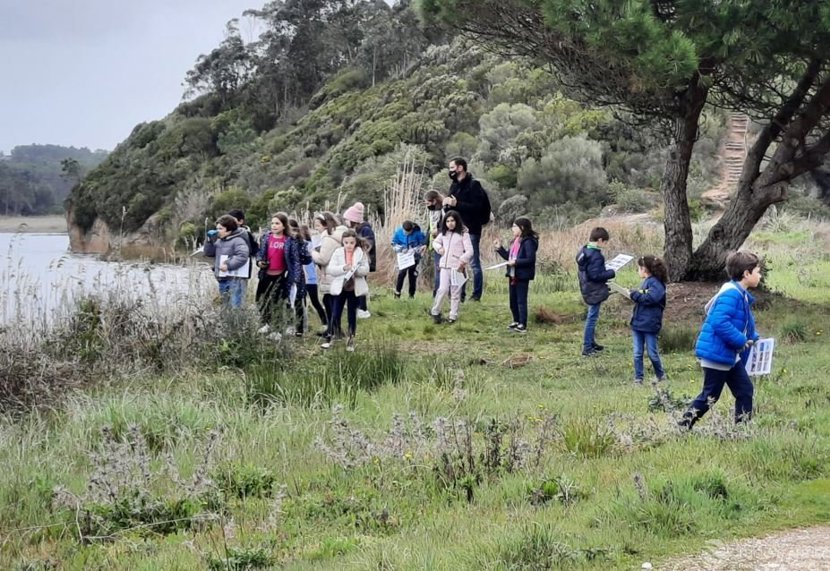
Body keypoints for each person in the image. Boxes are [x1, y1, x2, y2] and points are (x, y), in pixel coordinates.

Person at [679, 251, 762, 430]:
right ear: (746, 274)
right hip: (717, 353)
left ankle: (742, 432)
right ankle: (682, 426)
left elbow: (743, 322)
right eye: (757, 271)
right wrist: (741, 340)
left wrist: (752, 338)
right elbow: (719, 321)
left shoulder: (740, 294)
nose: (760, 275)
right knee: (710, 396)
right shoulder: (732, 294)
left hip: (729, 354)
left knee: (745, 390)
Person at [443, 157, 491, 301]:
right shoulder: (454, 186)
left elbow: (477, 207)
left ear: (460, 168)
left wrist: (456, 203)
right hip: (456, 230)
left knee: (474, 262)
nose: (450, 171)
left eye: (452, 168)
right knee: (459, 262)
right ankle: (459, 293)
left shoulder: (474, 185)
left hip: (471, 229)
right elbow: (452, 207)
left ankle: (476, 295)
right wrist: (447, 205)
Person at [323, 229, 370, 351]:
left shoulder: (360, 253)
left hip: (354, 287)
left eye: (351, 243)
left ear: (356, 243)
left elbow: (366, 269)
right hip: (340, 286)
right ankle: (332, 336)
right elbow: (331, 269)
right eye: (346, 242)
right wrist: (343, 268)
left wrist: (356, 270)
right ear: (342, 242)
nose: (349, 245)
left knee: (351, 314)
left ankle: (350, 339)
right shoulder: (338, 252)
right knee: (335, 312)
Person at [255, 212, 300, 334]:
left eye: (277, 223)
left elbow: (295, 259)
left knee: (279, 301)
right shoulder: (266, 237)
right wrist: (259, 262)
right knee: (261, 299)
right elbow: (259, 253)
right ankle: (266, 323)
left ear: (284, 226)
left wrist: (295, 277)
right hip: (266, 274)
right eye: (272, 223)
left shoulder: (290, 240)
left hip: (281, 275)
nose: (274, 226)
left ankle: (279, 329)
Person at [494, 217, 539, 334]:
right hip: (512, 274)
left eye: (514, 226)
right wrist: (500, 248)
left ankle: (522, 324)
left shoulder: (528, 242)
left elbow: (530, 259)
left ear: (522, 228)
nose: (512, 229)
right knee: (512, 299)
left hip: (522, 275)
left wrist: (516, 262)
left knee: (521, 299)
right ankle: (516, 320)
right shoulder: (516, 241)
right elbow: (509, 256)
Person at [576, 227, 616, 356]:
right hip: (594, 289)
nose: (605, 245)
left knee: (592, 315)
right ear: (599, 240)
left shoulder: (584, 250)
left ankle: (592, 343)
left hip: (587, 287)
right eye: (605, 242)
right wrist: (611, 272)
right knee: (592, 318)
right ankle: (587, 348)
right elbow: (595, 275)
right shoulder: (596, 255)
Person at [629, 255, 668, 385]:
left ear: (644, 269)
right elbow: (644, 296)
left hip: (650, 325)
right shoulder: (647, 282)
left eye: (639, 268)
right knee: (637, 353)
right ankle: (638, 378)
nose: (638, 271)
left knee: (652, 353)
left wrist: (635, 295)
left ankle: (660, 375)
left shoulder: (656, 284)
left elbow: (651, 298)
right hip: (638, 324)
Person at [430, 210, 473, 324]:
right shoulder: (444, 233)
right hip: (445, 266)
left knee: (455, 292)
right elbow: (435, 242)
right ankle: (435, 311)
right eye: (448, 221)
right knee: (443, 289)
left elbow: (470, 251)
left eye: (452, 220)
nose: (450, 223)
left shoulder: (464, 234)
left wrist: (462, 260)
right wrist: (440, 249)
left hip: (458, 268)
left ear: (457, 221)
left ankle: (452, 315)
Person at [311, 212, 346, 340]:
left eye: (318, 226)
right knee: (331, 301)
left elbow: (323, 259)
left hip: (331, 274)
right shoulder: (340, 235)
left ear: (326, 225)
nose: (316, 229)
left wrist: (313, 252)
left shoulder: (328, 238)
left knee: (329, 301)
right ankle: (334, 329)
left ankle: (333, 330)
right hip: (339, 273)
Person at [203, 214, 250, 308]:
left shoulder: (238, 240)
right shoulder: (219, 241)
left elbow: (243, 256)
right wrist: (209, 240)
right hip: (222, 279)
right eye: (217, 228)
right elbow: (208, 253)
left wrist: (228, 265)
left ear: (228, 229)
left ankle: (237, 323)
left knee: (236, 307)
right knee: (225, 308)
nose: (217, 231)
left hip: (235, 280)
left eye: (220, 228)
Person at [342, 201, 375, 319]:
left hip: (362, 262)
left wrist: (358, 251)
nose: (345, 221)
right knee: (355, 284)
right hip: (355, 261)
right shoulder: (358, 229)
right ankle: (357, 307)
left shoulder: (365, 229)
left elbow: (368, 245)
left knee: (361, 284)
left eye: (347, 219)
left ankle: (363, 309)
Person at [287, 218, 313, 336]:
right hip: (292, 273)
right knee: (295, 300)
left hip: (295, 274)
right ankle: (296, 327)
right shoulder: (297, 241)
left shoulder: (297, 241)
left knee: (297, 300)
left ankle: (299, 327)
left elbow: (307, 259)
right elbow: (307, 259)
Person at [300, 223, 327, 330]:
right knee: (315, 302)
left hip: (307, 278)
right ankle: (324, 322)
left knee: (305, 302)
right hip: (311, 279)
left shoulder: (306, 246)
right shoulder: (313, 246)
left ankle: (304, 325)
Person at [391, 220, 427, 299]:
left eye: (409, 232)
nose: (407, 234)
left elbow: (423, 244)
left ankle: (411, 295)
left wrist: (416, 249)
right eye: (405, 232)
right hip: (403, 257)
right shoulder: (398, 233)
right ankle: (397, 293)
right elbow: (393, 244)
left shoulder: (418, 233)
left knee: (412, 275)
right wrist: (400, 249)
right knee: (401, 274)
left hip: (414, 258)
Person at [228, 209, 258, 301]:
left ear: (241, 221)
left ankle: (239, 315)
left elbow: (253, 251)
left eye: (233, 220)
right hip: (227, 271)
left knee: (238, 298)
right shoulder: (224, 233)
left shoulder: (246, 234)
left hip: (241, 272)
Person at [424, 189, 446, 296]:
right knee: (438, 268)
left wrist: (439, 230)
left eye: (428, 203)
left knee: (443, 269)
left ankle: (440, 293)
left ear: (434, 201)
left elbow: (449, 224)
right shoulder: (432, 212)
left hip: (445, 243)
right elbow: (430, 227)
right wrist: (425, 243)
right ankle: (437, 292)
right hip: (435, 243)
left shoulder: (444, 210)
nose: (427, 205)